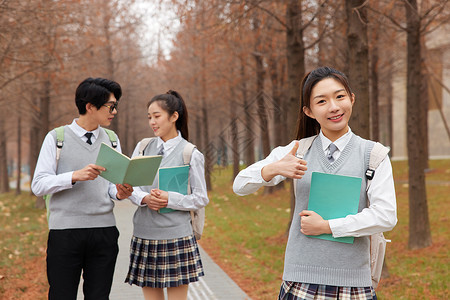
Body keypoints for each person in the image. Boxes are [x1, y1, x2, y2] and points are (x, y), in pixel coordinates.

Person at [233, 66, 397, 300]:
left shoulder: (374, 155)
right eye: (322, 101)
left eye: (340, 96)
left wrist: (328, 226)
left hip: (353, 283)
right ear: (309, 111)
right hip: (301, 280)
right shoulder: (297, 150)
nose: (333, 107)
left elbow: (386, 216)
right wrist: (274, 168)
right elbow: (239, 185)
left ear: (352, 98)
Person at [31, 77, 133, 300]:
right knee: (62, 295)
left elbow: (108, 187)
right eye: (110, 106)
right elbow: (38, 185)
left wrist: (119, 192)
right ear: (89, 106)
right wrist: (74, 176)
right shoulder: (56, 138)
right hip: (65, 233)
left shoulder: (112, 140)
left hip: (104, 232)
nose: (114, 112)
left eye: (115, 106)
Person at [125, 90, 209, 300]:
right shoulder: (143, 147)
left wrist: (169, 199)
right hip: (144, 234)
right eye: (149, 117)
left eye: (157, 116)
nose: (152, 122)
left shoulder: (190, 153)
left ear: (174, 116)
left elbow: (200, 198)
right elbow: (132, 185)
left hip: (176, 236)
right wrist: (144, 198)